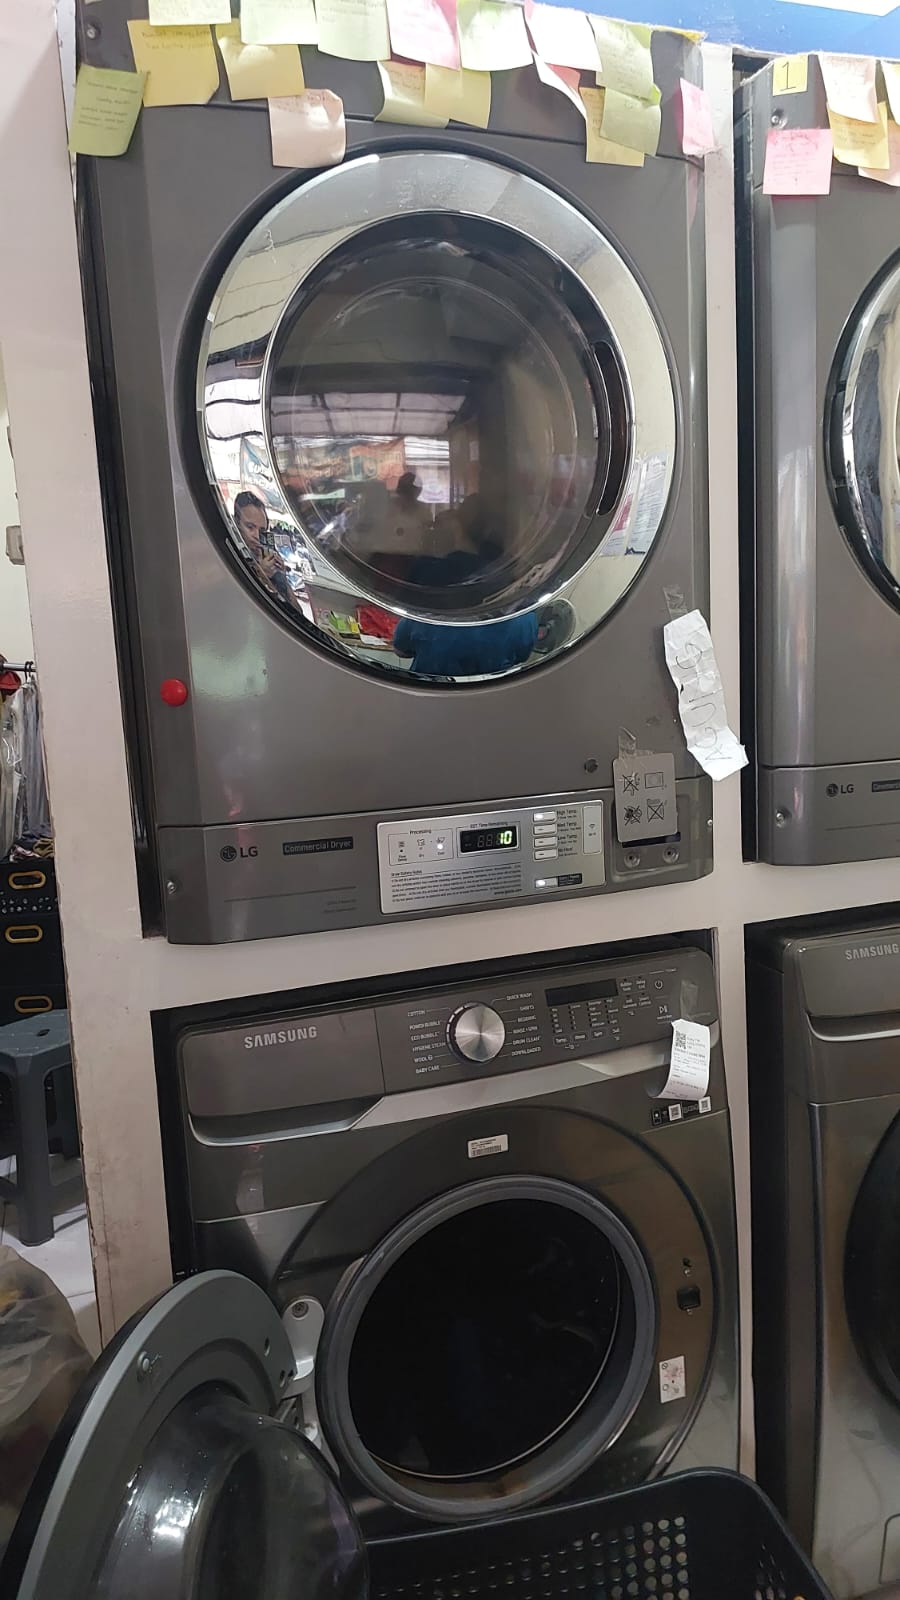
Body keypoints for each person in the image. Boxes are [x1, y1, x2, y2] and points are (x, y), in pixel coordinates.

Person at [393, 502, 538, 677]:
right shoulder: (521, 608)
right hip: (496, 692)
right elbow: (523, 655)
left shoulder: (433, 585)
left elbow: (401, 648)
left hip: (428, 688)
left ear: (459, 530)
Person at [233, 491, 296, 605]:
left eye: (262, 531)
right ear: (236, 523)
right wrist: (262, 575)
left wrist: (282, 578)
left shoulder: (268, 554)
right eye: (250, 527)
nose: (256, 536)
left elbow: (296, 610)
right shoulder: (231, 555)